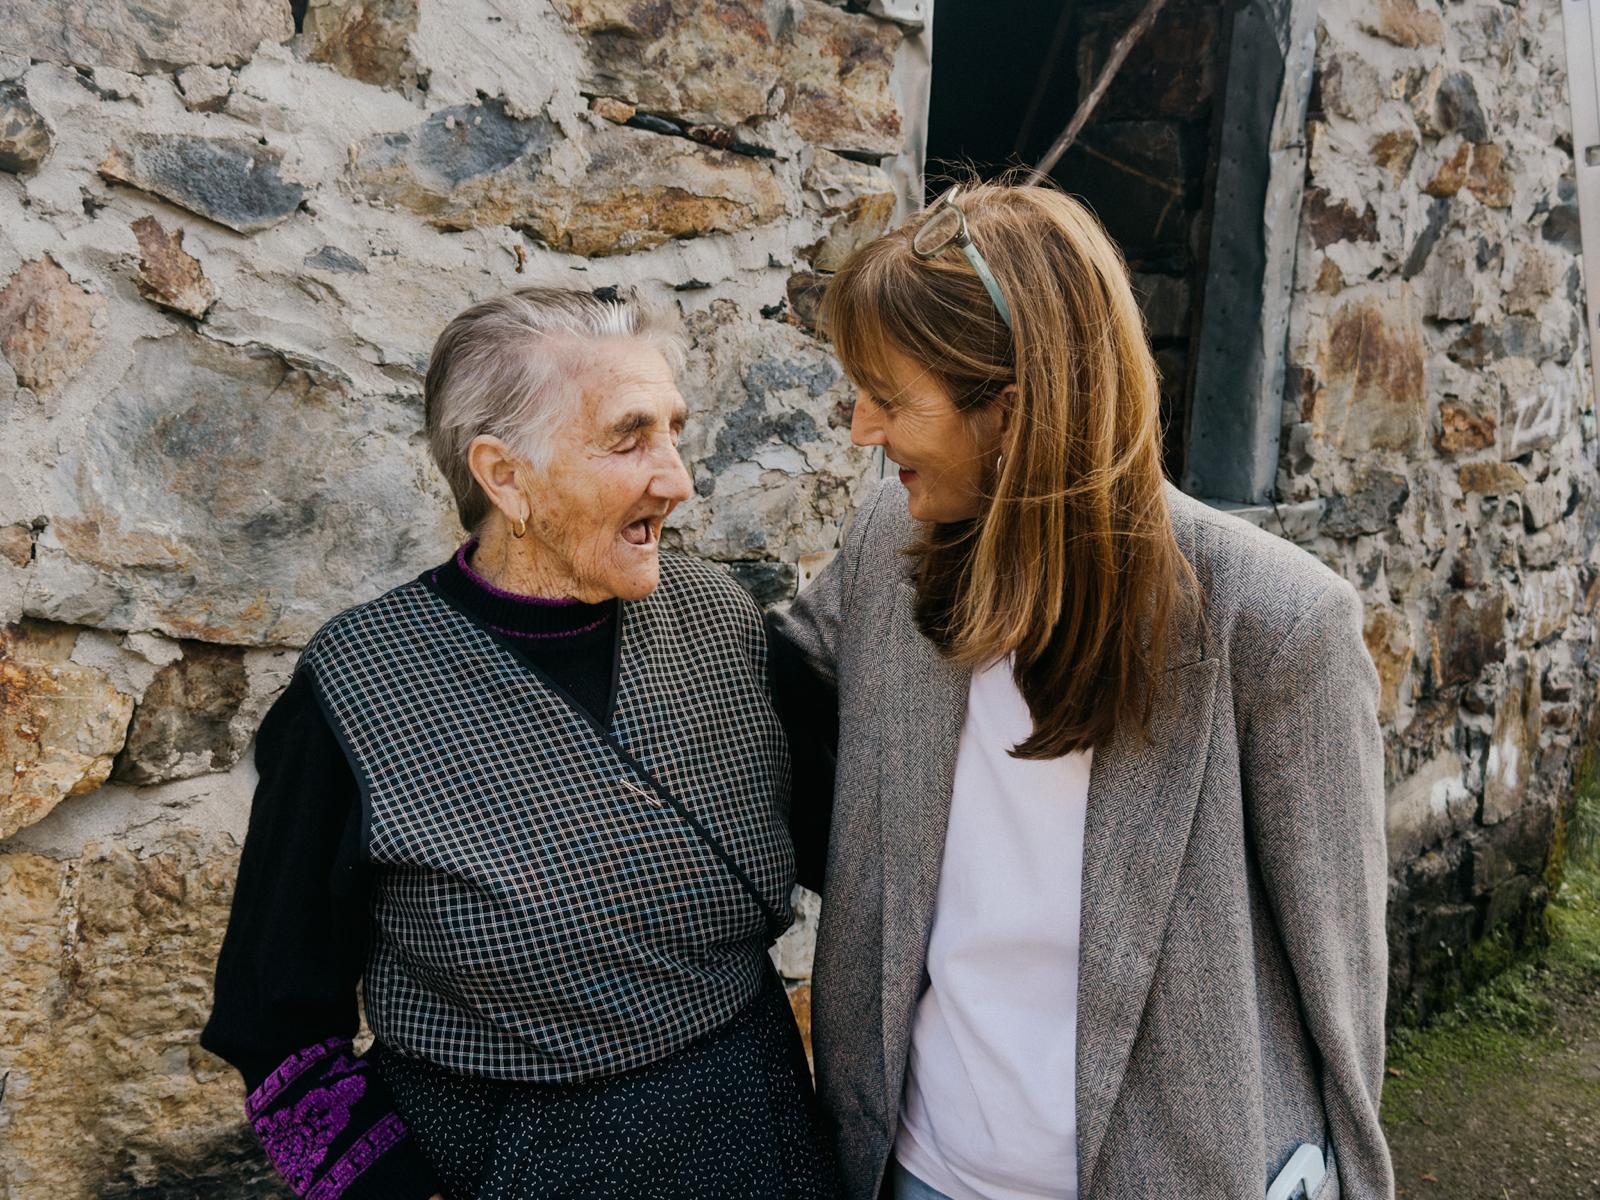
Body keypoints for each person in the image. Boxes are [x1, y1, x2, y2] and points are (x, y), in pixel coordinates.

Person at [769, 183, 1393, 1200]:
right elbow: (769, 694)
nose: (860, 428)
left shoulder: (1276, 625)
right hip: (915, 1168)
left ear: (1013, 409)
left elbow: (1342, 987)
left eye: (889, 396)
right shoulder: (891, 544)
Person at [203, 286, 837, 1200]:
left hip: (753, 1133)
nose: (679, 478)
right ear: (505, 477)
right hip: (507, 1160)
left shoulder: (719, 625)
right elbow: (277, 1027)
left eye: (674, 429)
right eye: (629, 437)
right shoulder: (360, 686)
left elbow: (856, 848)